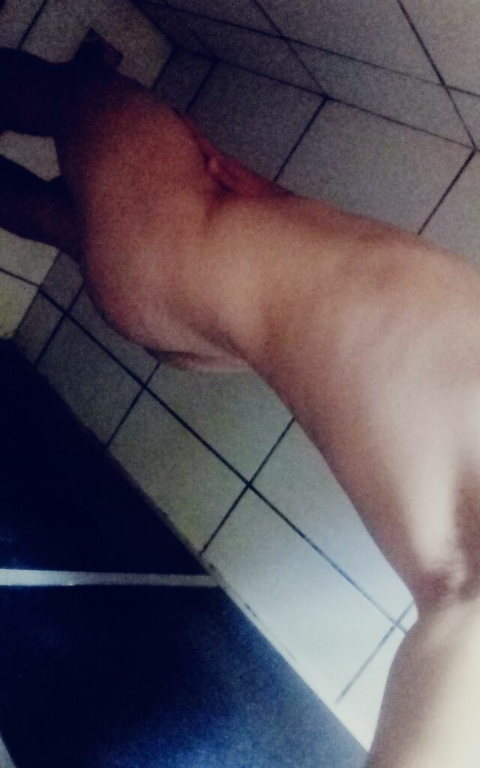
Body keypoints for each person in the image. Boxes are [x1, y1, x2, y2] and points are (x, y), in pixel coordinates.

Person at [2, 44, 480, 767]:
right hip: (197, 313)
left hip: (173, 248)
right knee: (55, 216)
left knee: (77, 95)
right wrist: (277, 206)